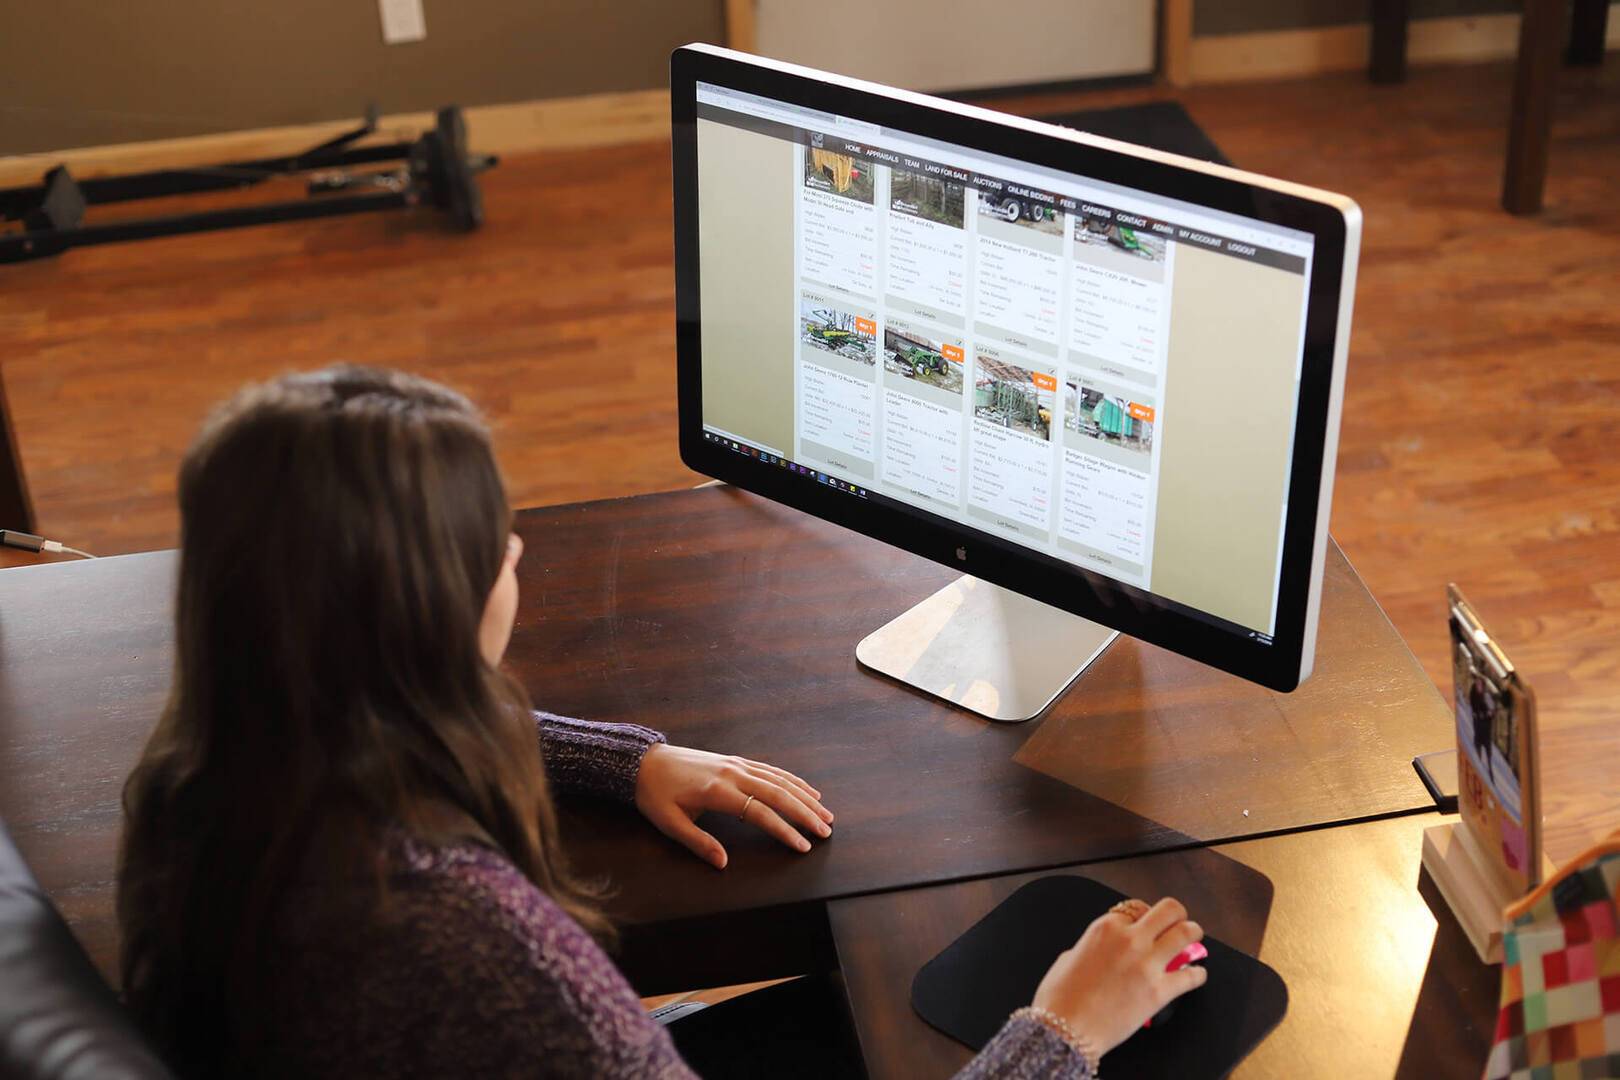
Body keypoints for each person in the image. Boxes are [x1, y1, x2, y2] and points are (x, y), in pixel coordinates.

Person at [116, 365, 1206, 1078]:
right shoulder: (492, 958)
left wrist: (612, 759)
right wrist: (1062, 1030)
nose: (515, 551)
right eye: (490, 535)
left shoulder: (200, 785)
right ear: (419, 607)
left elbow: (349, 709)